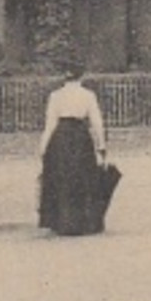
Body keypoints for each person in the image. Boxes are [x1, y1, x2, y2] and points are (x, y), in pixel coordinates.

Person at [38, 61, 109, 236]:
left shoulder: (55, 96)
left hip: (60, 137)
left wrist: (43, 147)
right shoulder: (87, 95)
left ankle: (62, 222)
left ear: (64, 76)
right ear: (81, 75)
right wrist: (101, 146)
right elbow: (97, 122)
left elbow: (50, 124)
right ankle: (84, 222)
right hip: (80, 136)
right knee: (82, 177)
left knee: (62, 177)